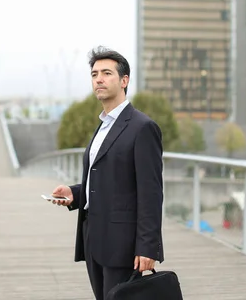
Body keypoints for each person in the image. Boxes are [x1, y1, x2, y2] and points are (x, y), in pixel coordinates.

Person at [49, 46, 164, 300]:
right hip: (94, 239)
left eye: (106, 73)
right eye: (94, 74)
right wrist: (74, 193)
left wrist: (148, 247)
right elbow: (105, 178)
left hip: (124, 244)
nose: (98, 79)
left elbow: (151, 192)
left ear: (124, 81)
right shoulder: (102, 126)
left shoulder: (142, 127)